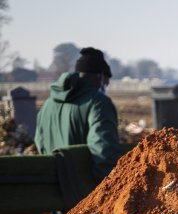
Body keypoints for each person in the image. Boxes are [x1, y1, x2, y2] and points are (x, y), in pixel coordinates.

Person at [35, 47, 121, 181]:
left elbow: (40, 143)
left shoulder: (47, 104)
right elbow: (104, 151)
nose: (105, 86)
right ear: (100, 76)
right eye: (106, 82)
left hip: (52, 186)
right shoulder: (98, 103)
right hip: (82, 191)